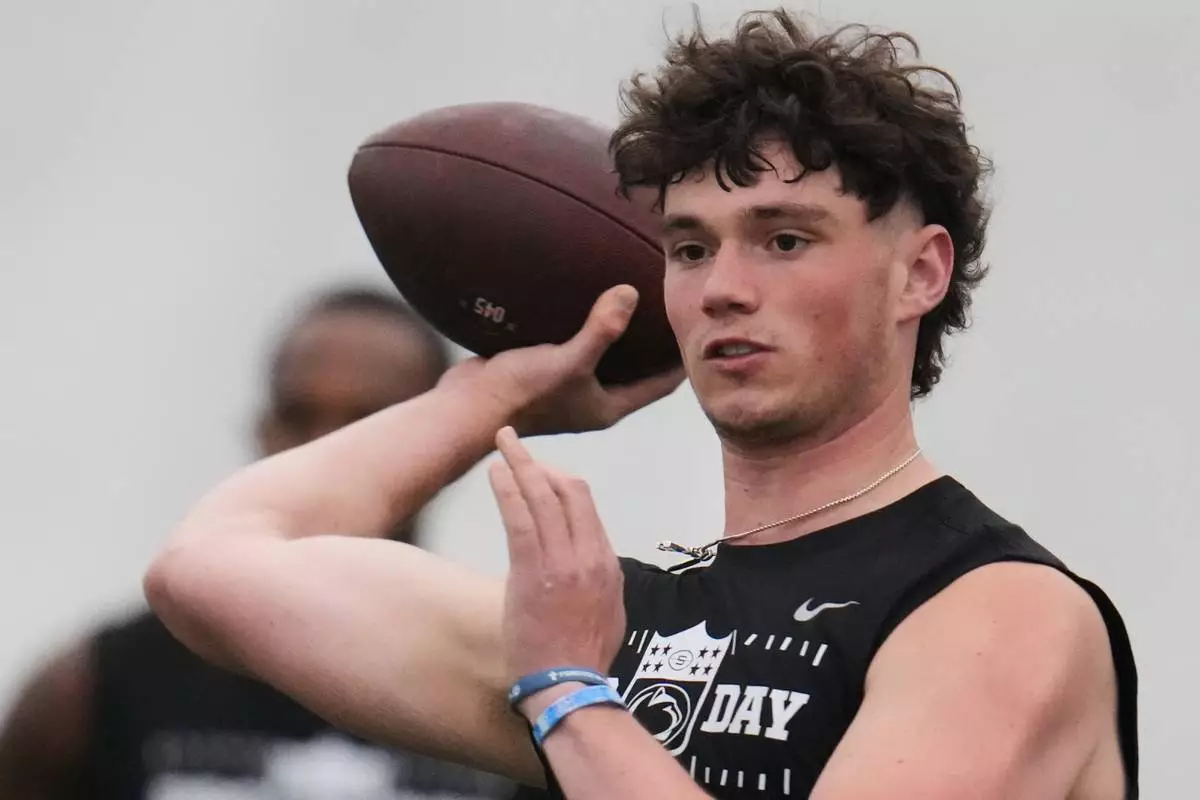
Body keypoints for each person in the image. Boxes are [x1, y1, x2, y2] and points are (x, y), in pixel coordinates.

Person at [141, 11, 1139, 800]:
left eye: (785, 240)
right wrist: (489, 394)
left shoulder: (999, 612)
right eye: (691, 248)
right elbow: (210, 567)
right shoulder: (617, 625)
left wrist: (568, 697)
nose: (723, 289)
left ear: (919, 272)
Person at [0, 285, 518, 800]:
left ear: (450, 452)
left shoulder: (519, 691)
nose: (324, 446)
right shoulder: (96, 690)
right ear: (263, 430)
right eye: (298, 416)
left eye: (369, 422)